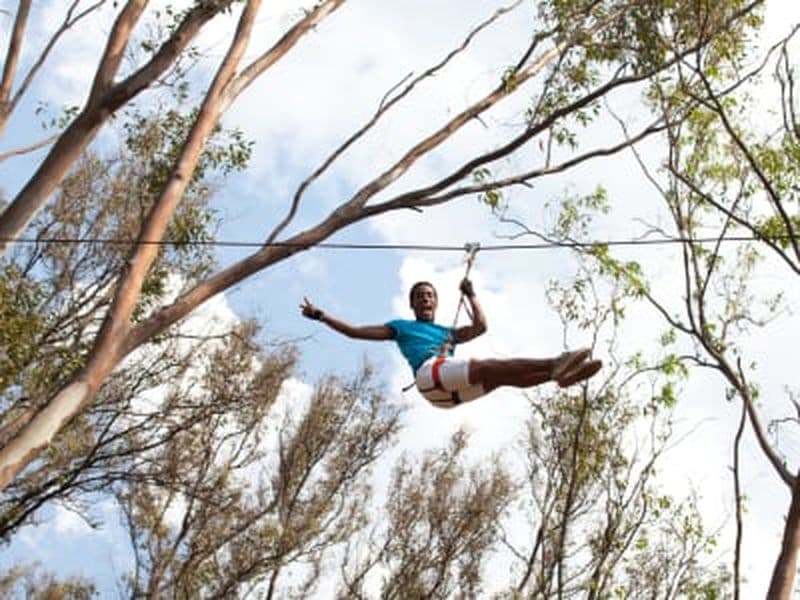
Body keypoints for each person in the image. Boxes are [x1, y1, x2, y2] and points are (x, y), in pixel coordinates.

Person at [300, 279, 602, 409]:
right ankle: (554, 363)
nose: (425, 299)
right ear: (413, 304)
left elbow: (481, 327)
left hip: (448, 399)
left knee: (500, 378)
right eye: (420, 297)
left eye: (430, 295)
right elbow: (354, 332)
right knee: (486, 366)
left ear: (436, 301)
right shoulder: (401, 327)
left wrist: (471, 294)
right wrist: (321, 315)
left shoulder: (448, 332)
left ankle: (556, 378)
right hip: (429, 376)